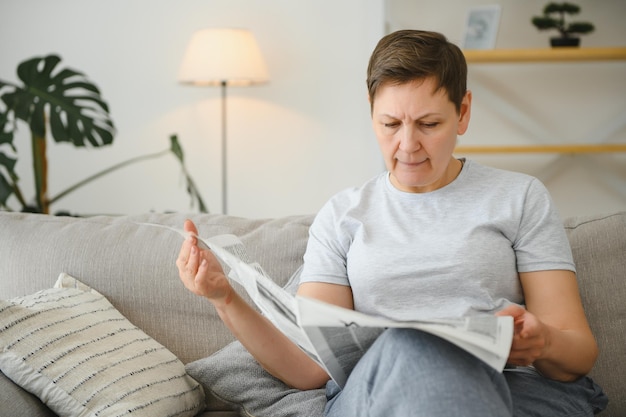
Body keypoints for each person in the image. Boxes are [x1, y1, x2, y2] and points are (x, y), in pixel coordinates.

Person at [177, 29, 607, 416]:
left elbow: (578, 354)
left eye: (429, 124)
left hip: (510, 391)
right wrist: (224, 298)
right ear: (371, 113)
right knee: (412, 347)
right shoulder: (343, 215)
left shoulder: (520, 197)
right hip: (378, 394)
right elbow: (309, 368)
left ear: (464, 112)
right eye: (390, 124)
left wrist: (544, 341)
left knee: (434, 356)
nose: (408, 145)